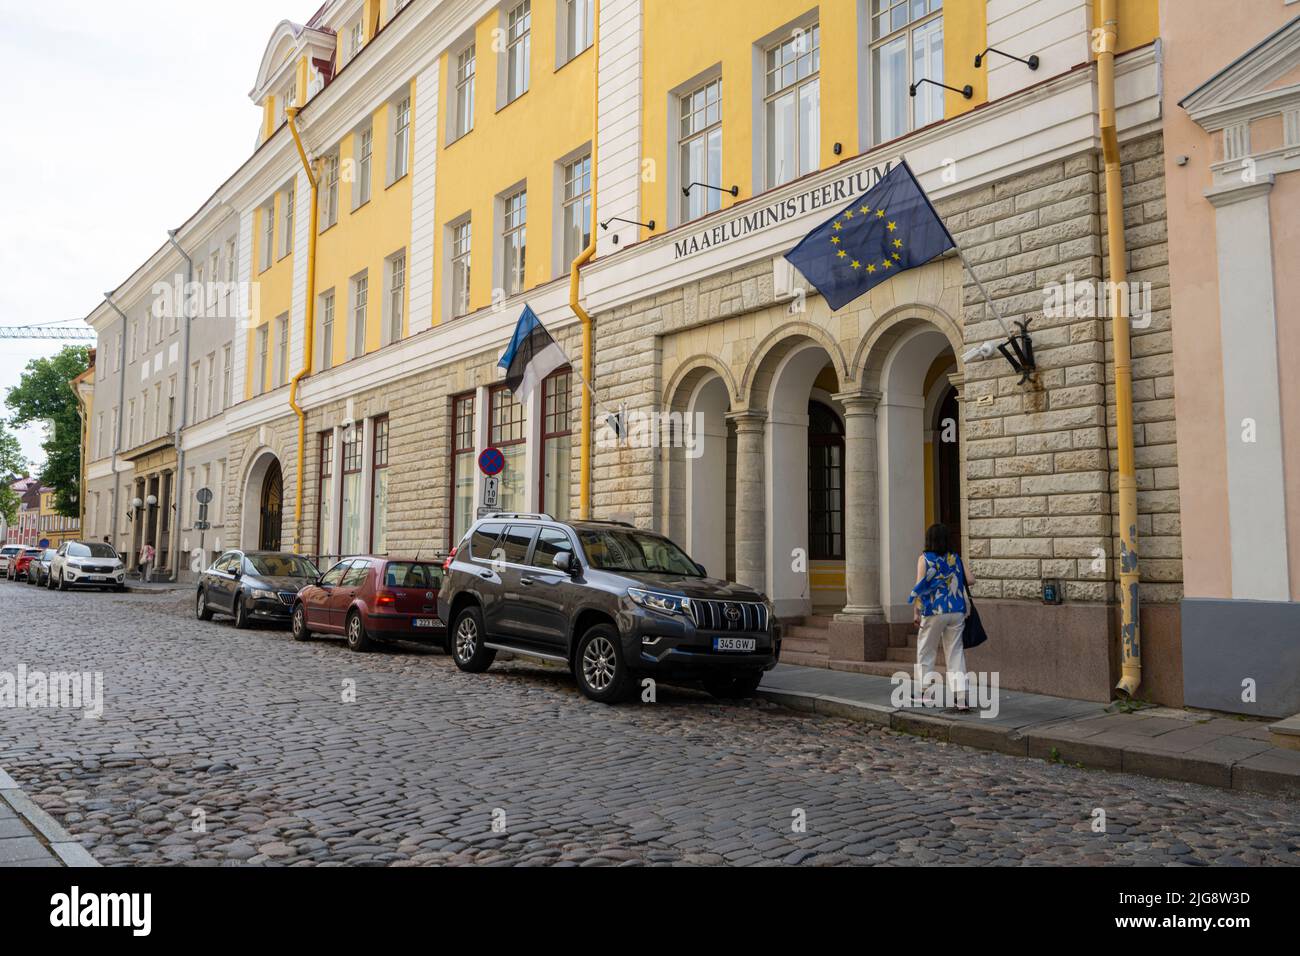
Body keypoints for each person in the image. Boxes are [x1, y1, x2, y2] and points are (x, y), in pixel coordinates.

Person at [908, 523, 975, 712]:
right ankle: (961, 698)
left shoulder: (925, 559)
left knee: (926, 650)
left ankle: (924, 693)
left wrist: (916, 611)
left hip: (934, 611)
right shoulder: (955, 558)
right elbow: (971, 580)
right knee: (955, 652)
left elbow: (919, 587)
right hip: (956, 610)